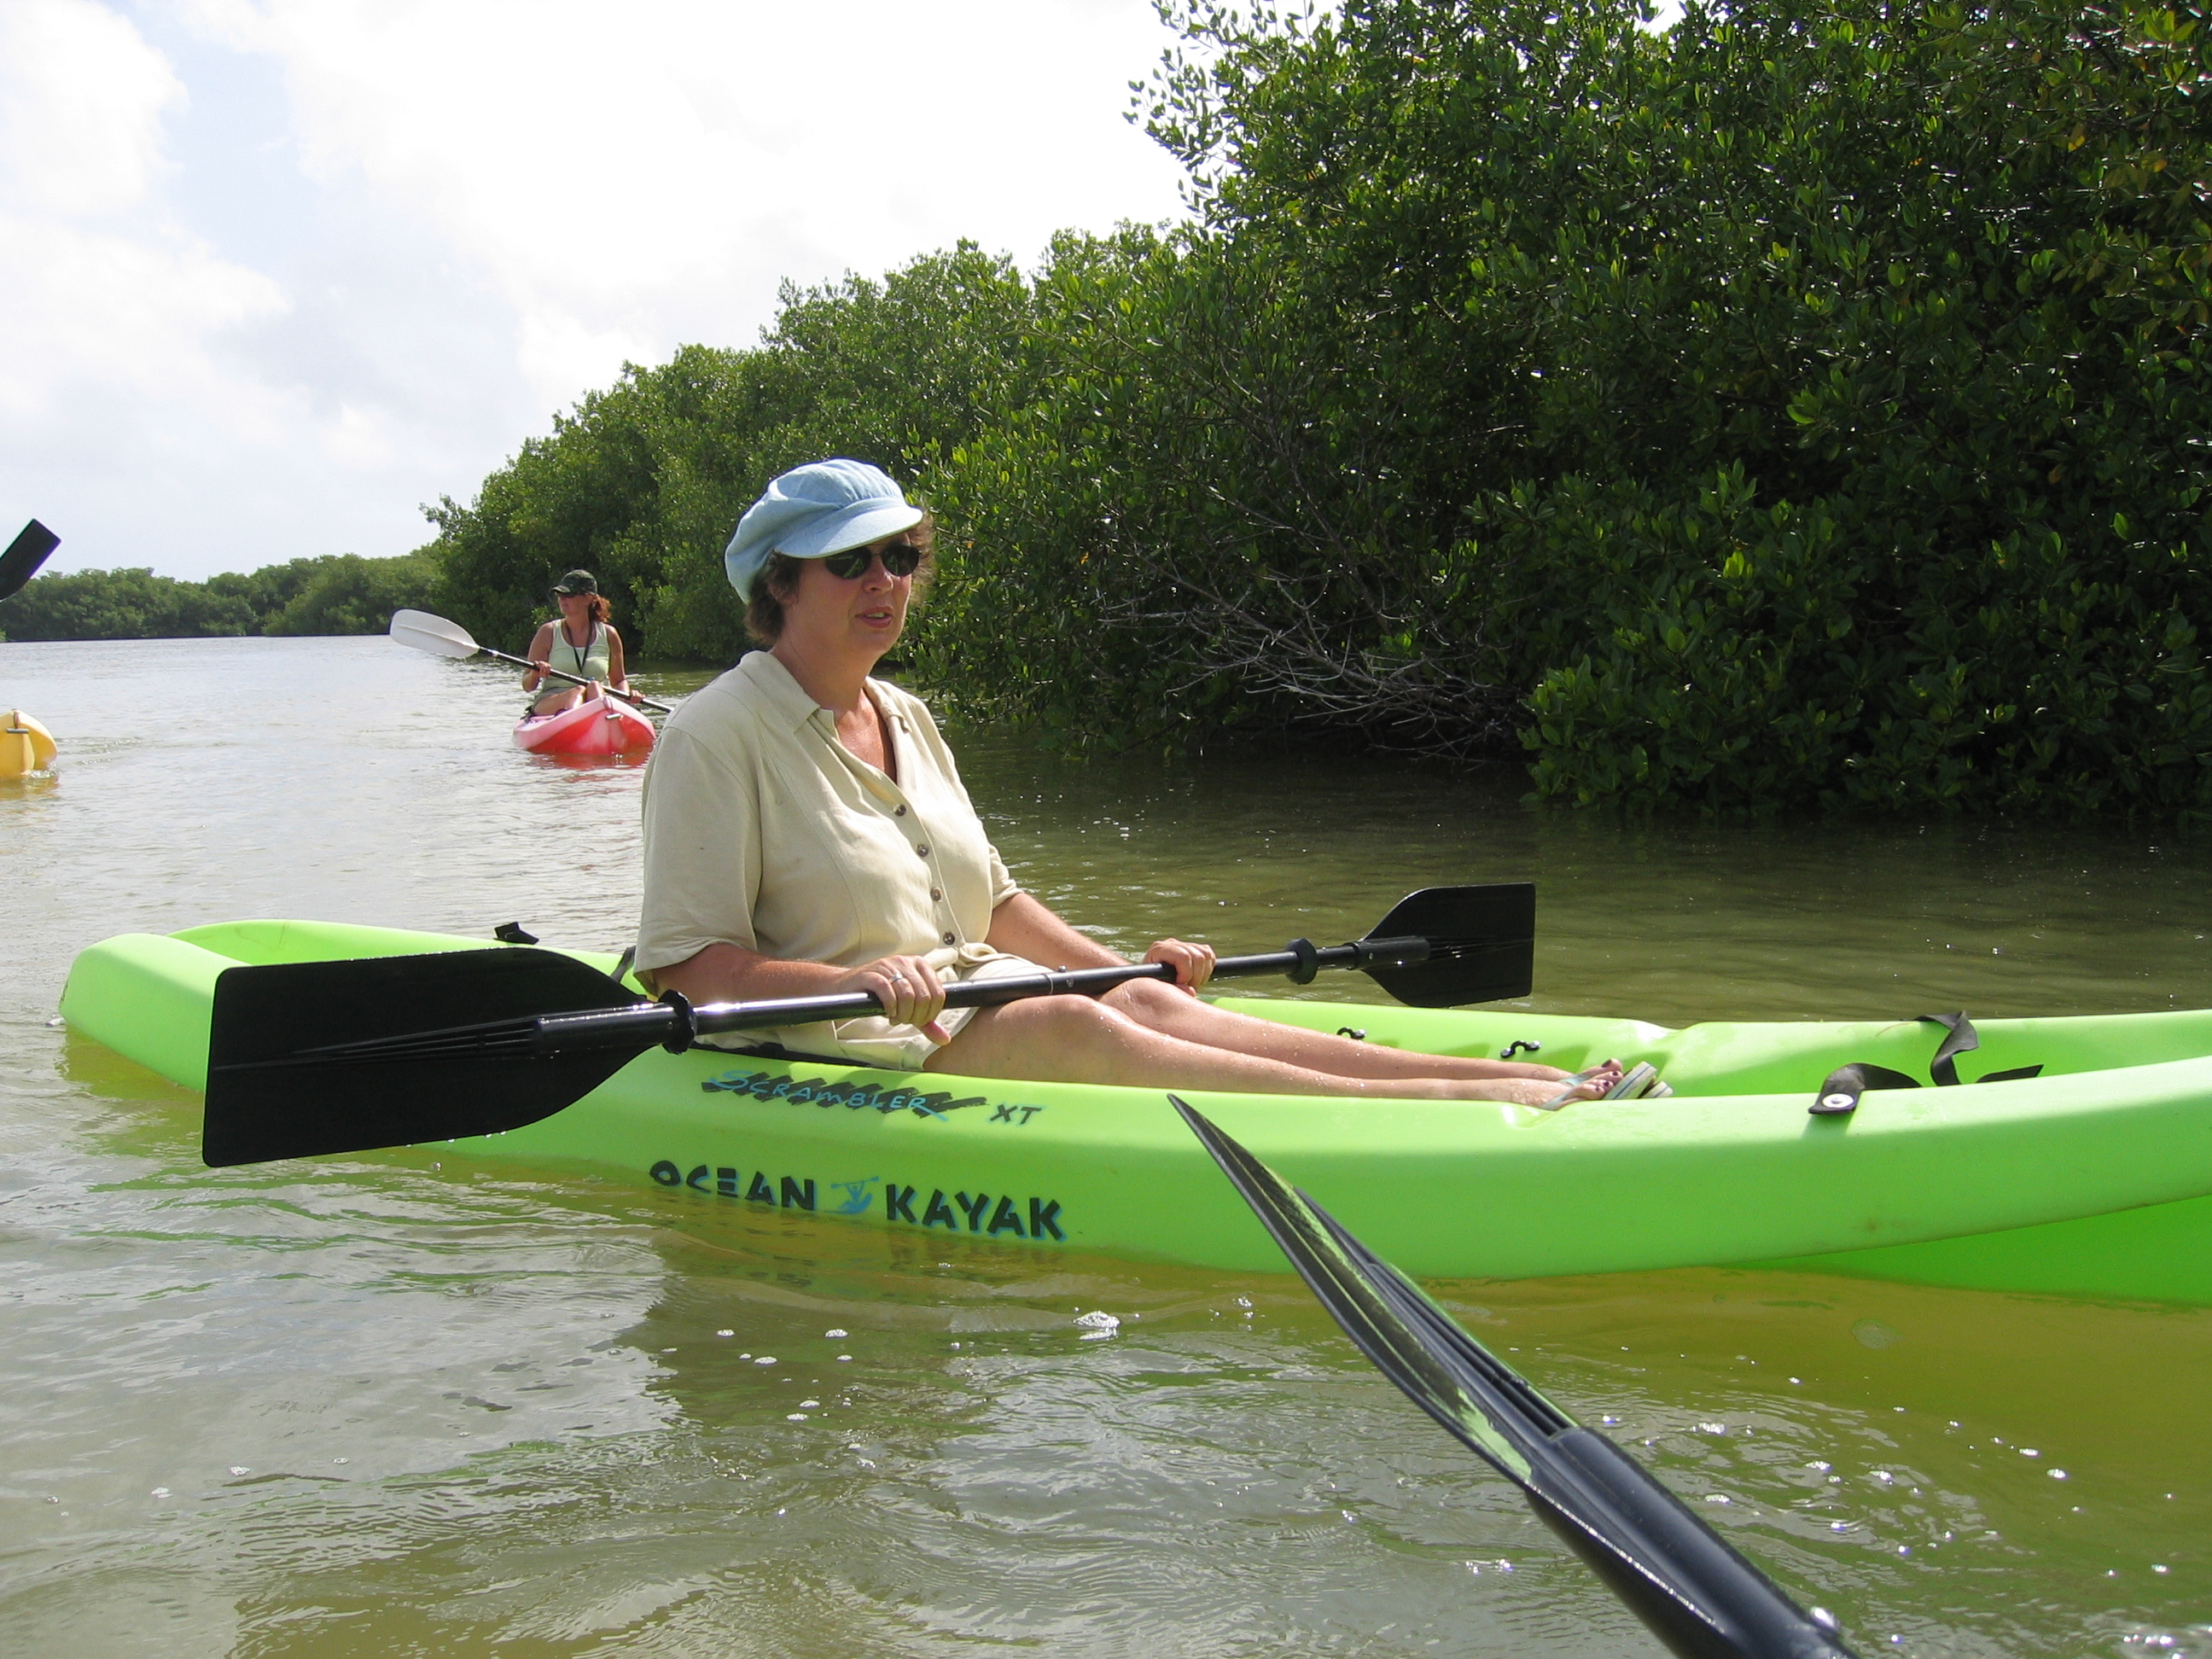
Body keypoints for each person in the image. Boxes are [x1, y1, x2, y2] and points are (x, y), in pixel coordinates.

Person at [633, 459, 1621, 1107]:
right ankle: (1460, 1106)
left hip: (974, 998)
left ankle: (1486, 1072)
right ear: (780, 584)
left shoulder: (907, 714)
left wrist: (1118, 965)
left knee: (1143, 1006)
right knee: (1065, 1018)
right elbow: (686, 967)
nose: (887, 582)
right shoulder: (716, 734)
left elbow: (998, 902)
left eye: (901, 555)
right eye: (852, 562)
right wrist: (853, 982)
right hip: (849, 1041)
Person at [522, 570, 632, 716]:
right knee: (578, 691)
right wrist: (536, 673)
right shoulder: (547, 632)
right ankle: (577, 722)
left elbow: (618, 681)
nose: (562, 599)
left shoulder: (609, 634)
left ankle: (600, 722)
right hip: (551, 700)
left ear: (588, 599)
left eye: (568, 595)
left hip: (596, 696)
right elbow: (527, 686)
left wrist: (627, 697)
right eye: (559, 595)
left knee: (594, 686)